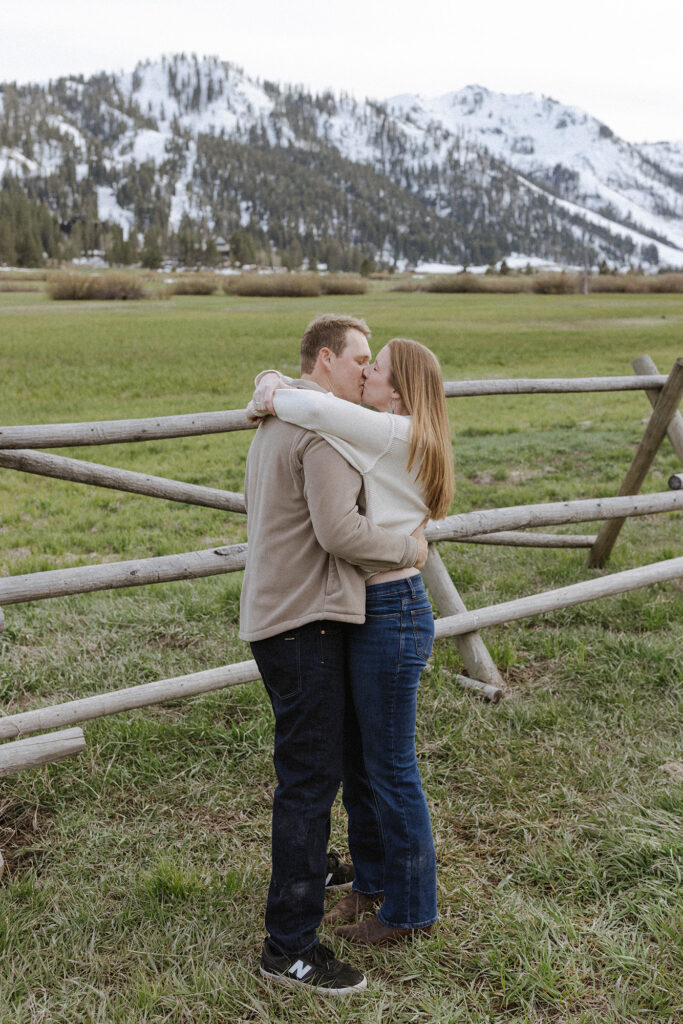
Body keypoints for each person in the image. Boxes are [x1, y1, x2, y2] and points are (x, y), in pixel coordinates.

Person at [239, 315, 429, 994]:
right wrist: (409, 548)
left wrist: (267, 383)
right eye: (361, 359)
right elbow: (338, 529)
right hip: (303, 621)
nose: (367, 371)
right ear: (327, 360)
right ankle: (289, 946)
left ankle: (322, 877)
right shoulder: (320, 432)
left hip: (274, 614)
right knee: (310, 781)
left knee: (314, 769)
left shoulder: (271, 422)